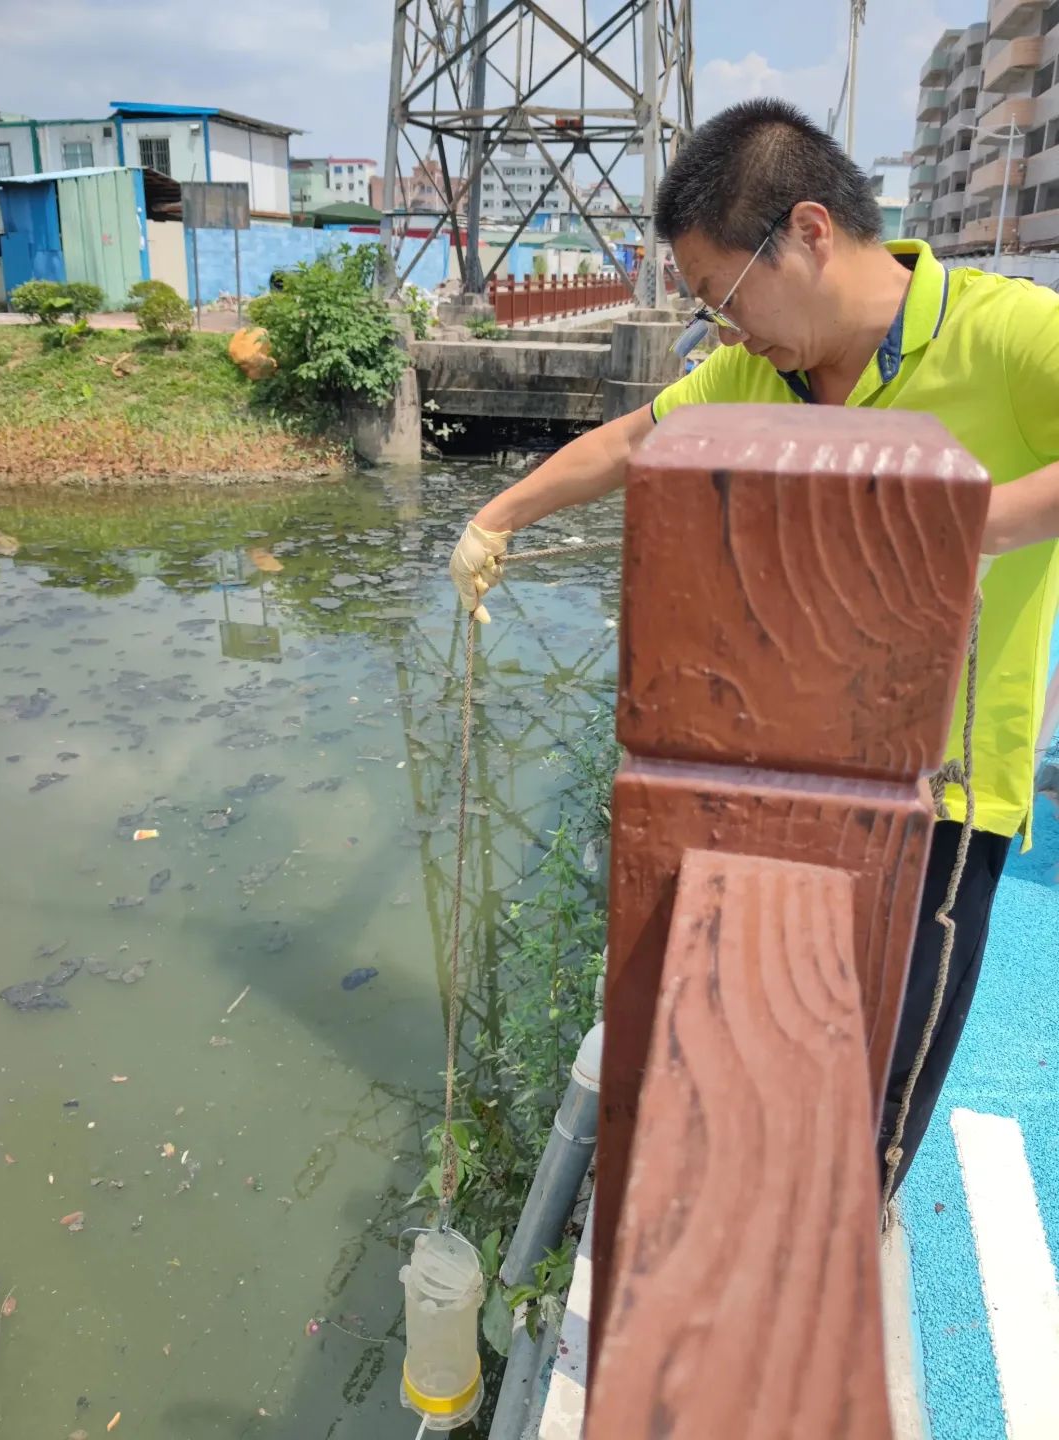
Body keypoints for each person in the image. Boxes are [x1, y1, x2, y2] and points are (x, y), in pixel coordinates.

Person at [449, 98, 1059, 1193]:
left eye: (725, 296)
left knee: (869, 1110)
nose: (725, 333)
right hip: (792, 771)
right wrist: (497, 518)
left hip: (944, 797)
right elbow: (633, 440)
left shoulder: (1007, 333)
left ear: (812, 232)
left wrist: (961, 528)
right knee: (771, 1038)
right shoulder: (761, 371)